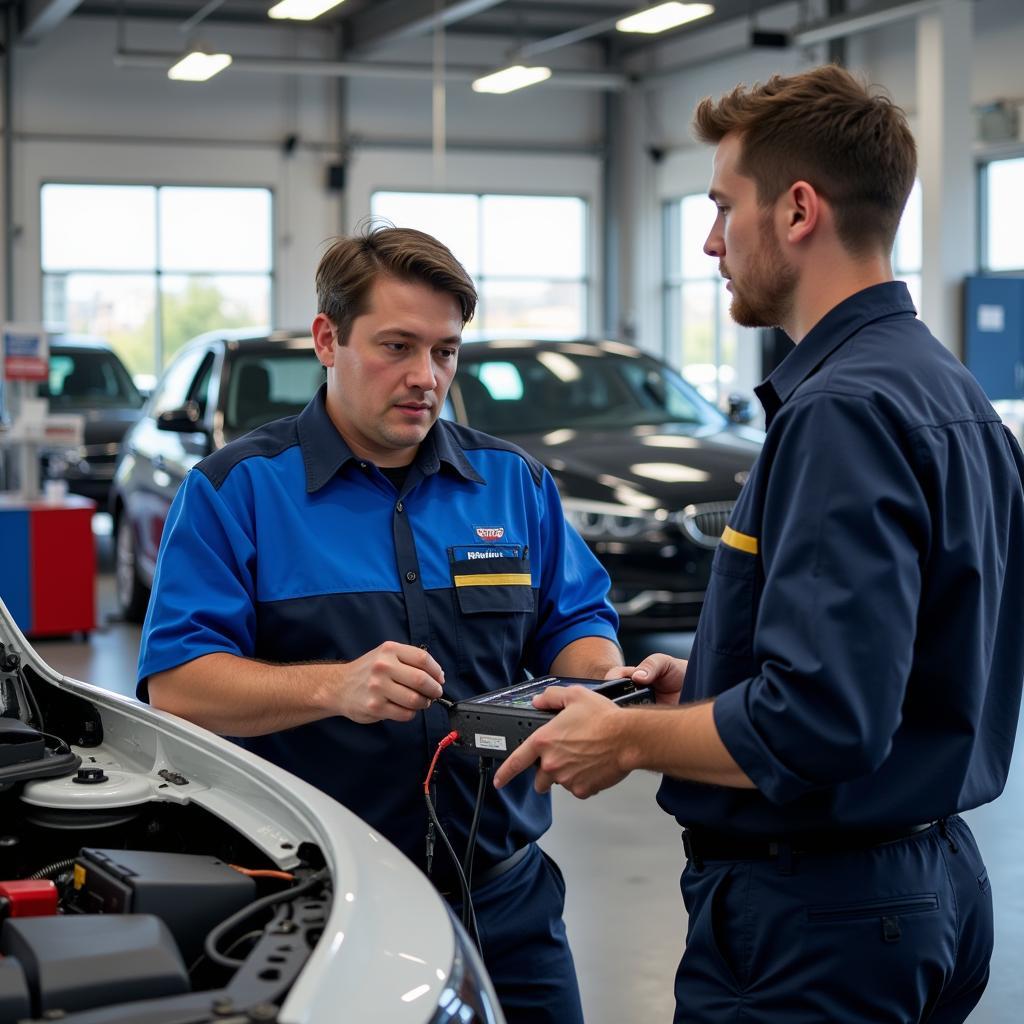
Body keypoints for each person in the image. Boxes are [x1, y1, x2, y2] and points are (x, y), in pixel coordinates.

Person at [494, 64, 1024, 1023]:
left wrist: (627, 737)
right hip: (931, 882)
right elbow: (897, 668)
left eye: (720, 206)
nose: (708, 242)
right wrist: (698, 687)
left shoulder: (842, 413)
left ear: (798, 211)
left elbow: (822, 721)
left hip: (818, 923)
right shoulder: (946, 392)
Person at [136, 225, 622, 1024]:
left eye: (445, 351)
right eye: (397, 346)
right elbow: (179, 686)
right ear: (328, 340)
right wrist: (336, 685)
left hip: (508, 903)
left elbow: (579, 624)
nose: (425, 378)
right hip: (323, 912)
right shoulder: (237, 493)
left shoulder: (513, 484)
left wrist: (601, 686)